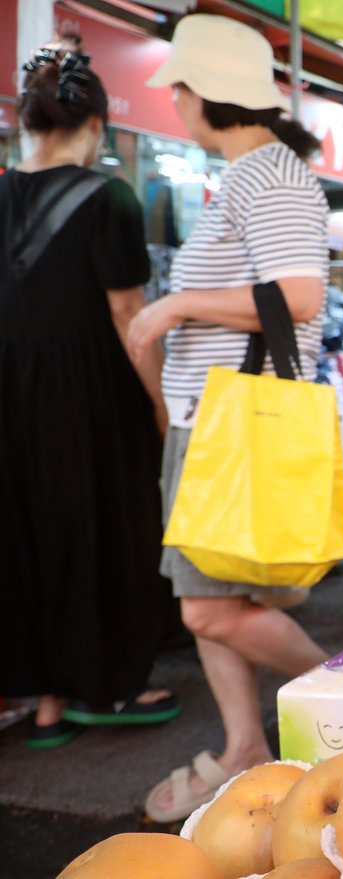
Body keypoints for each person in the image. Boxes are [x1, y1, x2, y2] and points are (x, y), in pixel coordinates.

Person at [125, 14, 331, 822]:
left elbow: (299, 296)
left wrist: (175, 304)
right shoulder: (252, 172)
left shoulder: (268, 175)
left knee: (207, 605)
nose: (174, 102)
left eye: (179, 86)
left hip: (233, 422)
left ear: (206, 90)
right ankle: (246, 743)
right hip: (213, 417)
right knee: (205, 595)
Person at [0, 37, 179, 750]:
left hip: (9, 390)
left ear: (28, 120)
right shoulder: (109, 197)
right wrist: (160, 401)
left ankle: (42, 696)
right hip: (90, 393)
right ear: (97, 123)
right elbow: (128, 310)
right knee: (103, 525)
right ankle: (107, 684)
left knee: (23, 530)